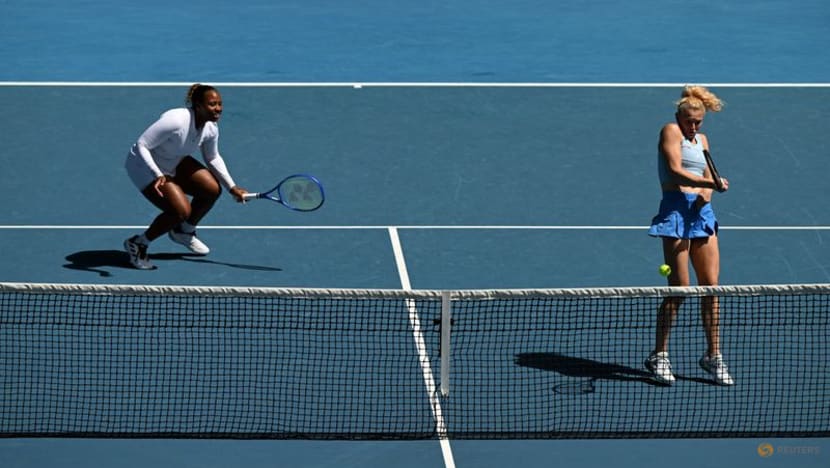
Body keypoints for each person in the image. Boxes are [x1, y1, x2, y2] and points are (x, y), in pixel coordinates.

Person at [645, 85, 734, 386]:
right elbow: (674, 171)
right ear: (678, 117)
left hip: (701, 213)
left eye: (698, 122)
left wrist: (709, 191)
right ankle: (659, 355)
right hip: (674, 211)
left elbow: (708, 177)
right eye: (688, 121)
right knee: (680, 289)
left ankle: (713, 355)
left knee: (711, 288)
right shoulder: (669, 131)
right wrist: (708, 182)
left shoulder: (703, 139)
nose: (692, 126)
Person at [123, 84, 247, 270]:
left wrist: (232, 187)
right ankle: (139, 243)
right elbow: (142, 145)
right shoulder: (176, 121)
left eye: (220, 104)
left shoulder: (210, 128)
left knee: (212, 190)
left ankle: (184, 231)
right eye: (212, 104)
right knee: (181, 211)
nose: (218, 109)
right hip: (144, 167)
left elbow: (212, 157)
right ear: (198, 105)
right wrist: (157, 174)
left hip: (173, 160)